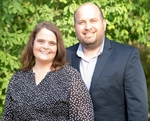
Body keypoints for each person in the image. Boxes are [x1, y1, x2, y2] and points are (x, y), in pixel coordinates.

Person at [66, 2, 148, 121]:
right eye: (81, 22)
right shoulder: (64, 57)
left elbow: (138, 109)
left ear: (104, 24)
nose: (88, 27)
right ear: (75, 27)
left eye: (93, 20)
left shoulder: (127, 56)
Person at [2, 22, 94, 121]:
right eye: (41, 41)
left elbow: (84, 118)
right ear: (32, 43)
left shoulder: (70, 77)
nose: (46, 46)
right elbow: (7, 117)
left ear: (57, 48)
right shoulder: (17, 79)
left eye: (52, 43)